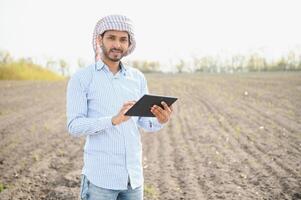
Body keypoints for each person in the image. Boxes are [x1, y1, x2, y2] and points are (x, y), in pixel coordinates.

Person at [66, 14, 173, 200]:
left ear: (129, 44)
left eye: (123, 39)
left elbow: (145, 123)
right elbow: (74, 126)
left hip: (133, 180)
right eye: (111, 38)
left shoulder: (137, 78)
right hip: (100, 180)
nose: (117, 44)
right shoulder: (82, 78)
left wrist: (160, 120)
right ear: (100, 40)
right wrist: (113, 120)